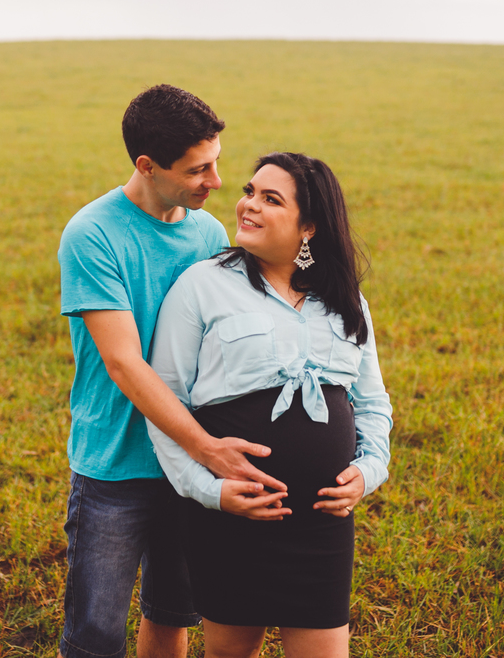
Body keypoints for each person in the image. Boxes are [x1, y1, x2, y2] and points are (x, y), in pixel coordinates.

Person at [56, 85, 287, 658]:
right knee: (95, 634)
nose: (216, 182)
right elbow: (123, 362)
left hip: (186, 466)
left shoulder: (208, 234)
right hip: (118, 464)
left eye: (217, 162)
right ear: (147, 166)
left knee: (172, 613)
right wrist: (207, 448)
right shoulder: (92, 235)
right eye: (198, 169)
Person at [146, 152, 393, 658]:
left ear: (309, 228)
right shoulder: (203, 285)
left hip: (322, 526)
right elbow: (164, 403)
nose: (247, 205)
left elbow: (371, 402)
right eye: (250, 191)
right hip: (232, 522)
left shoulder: (345, 299)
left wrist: (371, 469)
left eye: (270, 199)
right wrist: (209, 491)